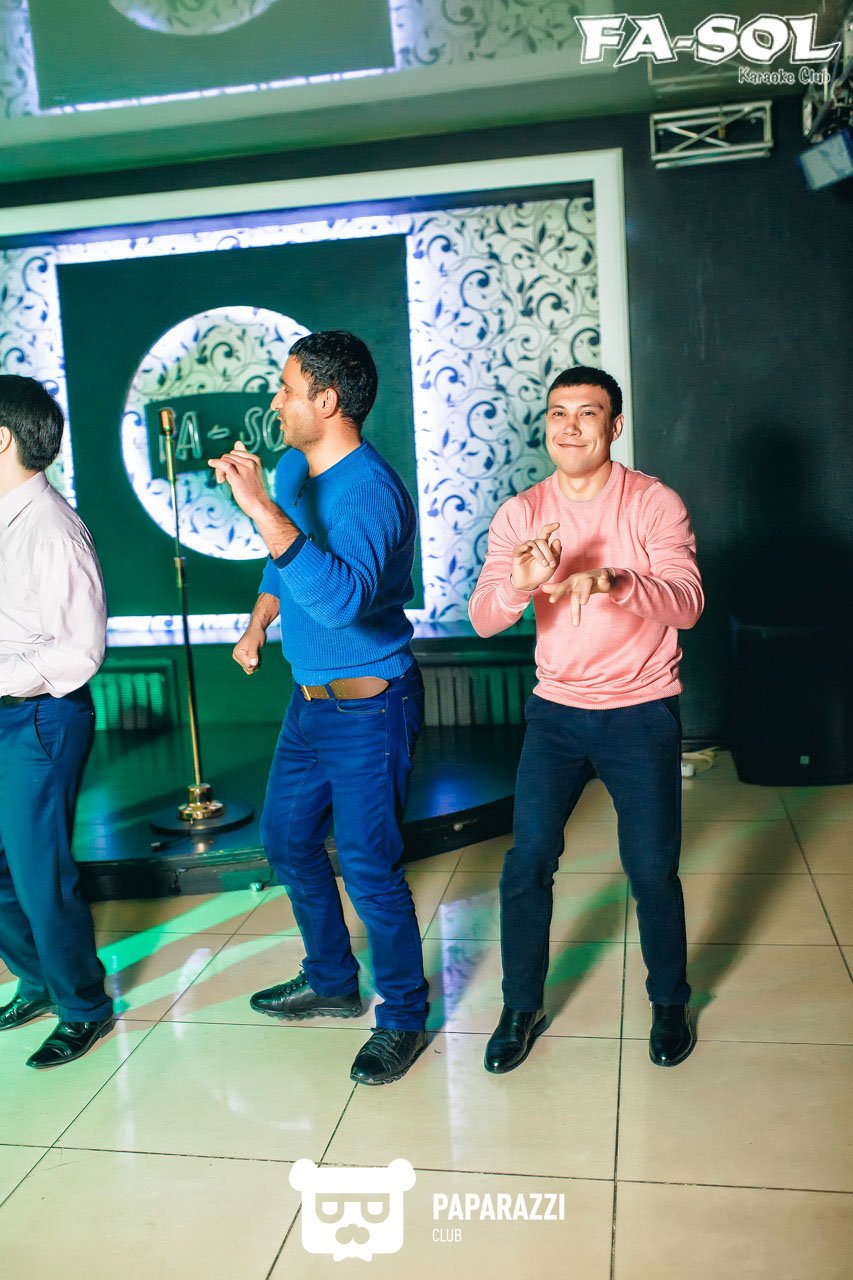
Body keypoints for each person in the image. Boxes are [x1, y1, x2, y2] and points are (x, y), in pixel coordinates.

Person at [468, 365, 703, 1073]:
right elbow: (483, 620)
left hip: (640, 711)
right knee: (528, 860)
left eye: (588, 413)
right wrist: (520, 584)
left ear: (615, 426)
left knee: (651, 869)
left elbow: (688, 603)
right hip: (557, 715)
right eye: (558, 413)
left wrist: (616, 579)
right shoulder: (521, 513)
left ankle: (669, 1002)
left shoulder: (653, 503)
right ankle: (521, 1007)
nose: (570, 427)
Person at [209, 331, 428, 1086]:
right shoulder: (294, 467)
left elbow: (339, 603)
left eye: (287, 389)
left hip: (370, 709)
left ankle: (403, 1017)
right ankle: (332, 980)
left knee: (368, 865)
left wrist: (259, 506)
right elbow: (284, 564)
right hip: (308, 705)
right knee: (286, 839)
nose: (275, 402)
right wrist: (257, 624)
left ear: (327, 401)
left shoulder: (372, 492)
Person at [0, 374, 114, 1068]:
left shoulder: (52, 529)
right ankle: (37, 980)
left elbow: (79, 652)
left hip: (40, 718)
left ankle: (84, 1007)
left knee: (40, 872)